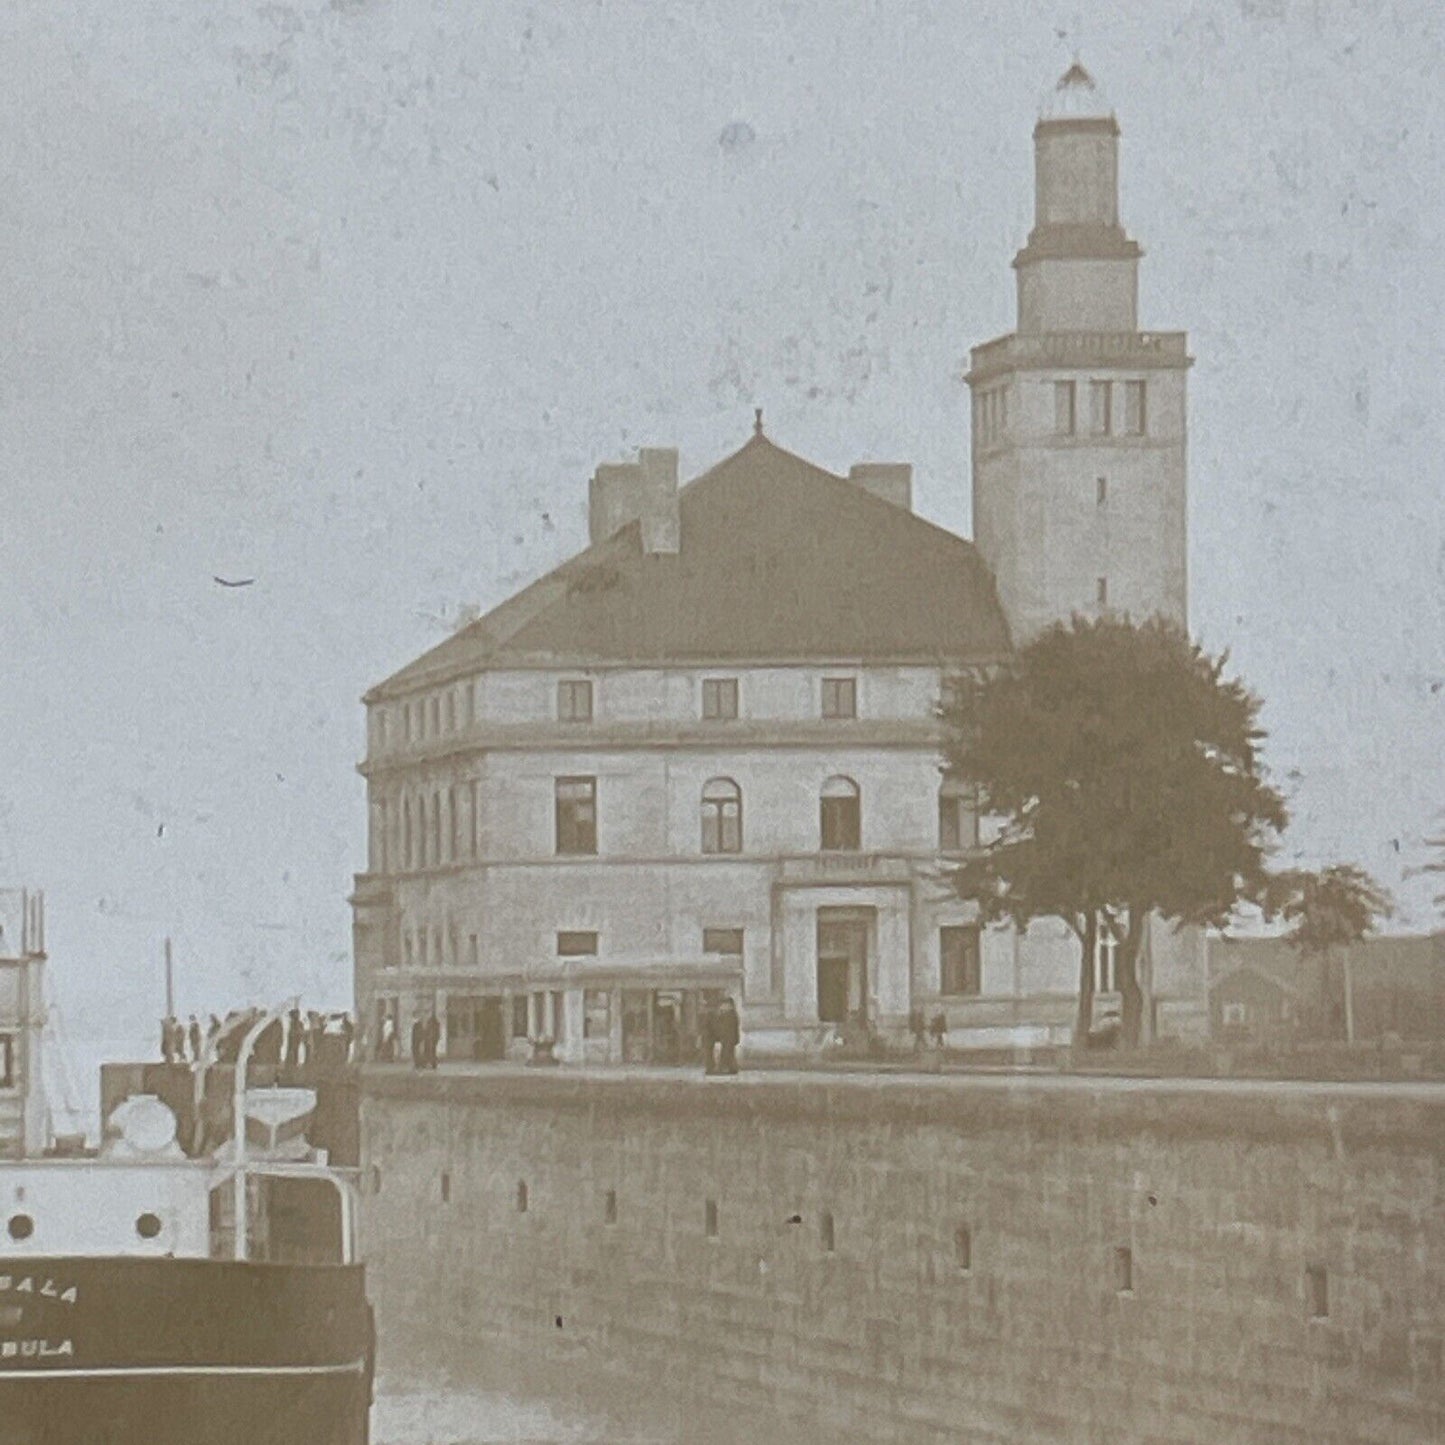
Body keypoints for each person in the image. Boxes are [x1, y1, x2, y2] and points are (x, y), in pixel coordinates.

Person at [716, 997, 741, 1076]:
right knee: (729, 1053)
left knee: (727, 1053)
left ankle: (724, 1068)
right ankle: (731, 1068)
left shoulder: (730, 1015)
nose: (722, 1006)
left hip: (728, 1038)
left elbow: (727, 1027)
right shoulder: (730, 1014)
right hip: (728, 1038)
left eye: (724, 1005)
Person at [699, 998, 718, 1075]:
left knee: (708, 1053)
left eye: (702, 1006)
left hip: (709, 1037)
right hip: (707, 1037)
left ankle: (710, 1068)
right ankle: (709, 1067)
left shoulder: (709, 1015)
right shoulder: (706, 1015)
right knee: (707, 1053)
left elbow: (710, 1027)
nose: (701, 1008)